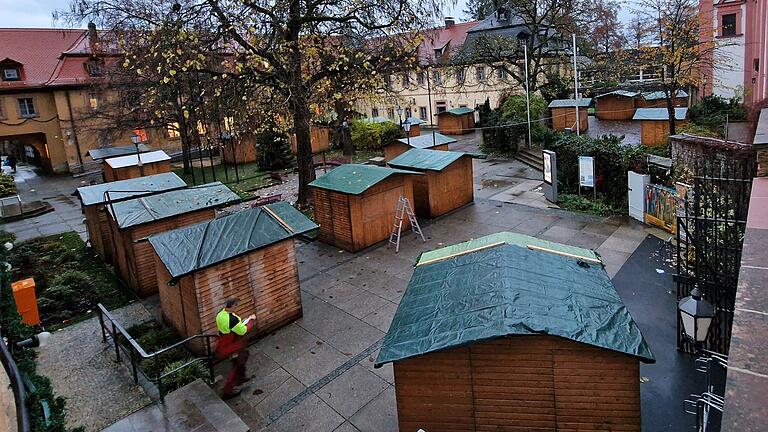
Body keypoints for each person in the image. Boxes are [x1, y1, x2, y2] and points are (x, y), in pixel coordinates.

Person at [215, 298, 256, 399]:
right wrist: (250, 321)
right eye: (236, 305)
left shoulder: (220, 313)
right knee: (238, 363)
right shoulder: (232, 319)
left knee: (242, 357)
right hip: (231, 344)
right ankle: (227, 391)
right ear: (233, 306)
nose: (236, 307)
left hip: (223, 341)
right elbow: (242, 331)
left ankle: (241, 378)